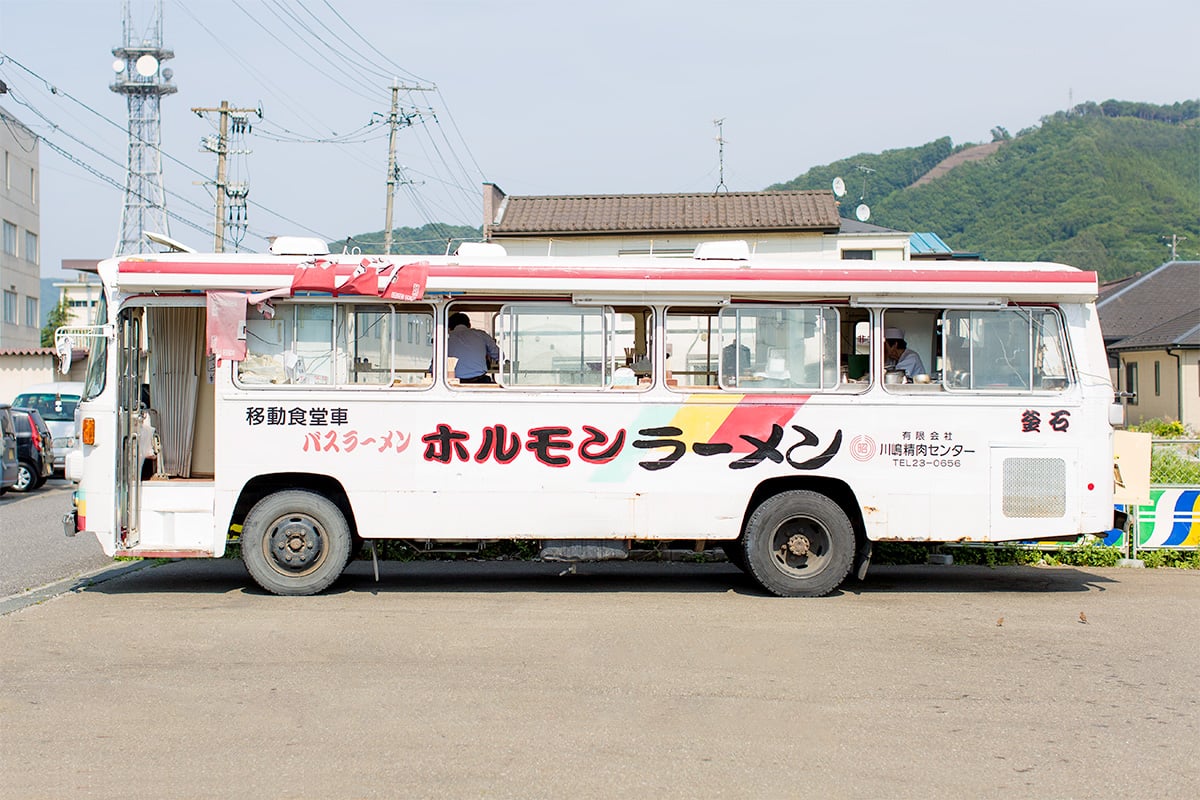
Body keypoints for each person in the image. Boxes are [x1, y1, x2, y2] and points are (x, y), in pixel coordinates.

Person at [447, 311, 500, 384]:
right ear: (469, 325)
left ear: (449, 327)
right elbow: (499, 355)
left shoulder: (446, 339)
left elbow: (434, 367)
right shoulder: (481, 335)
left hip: (452, 383)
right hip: (479, 381)